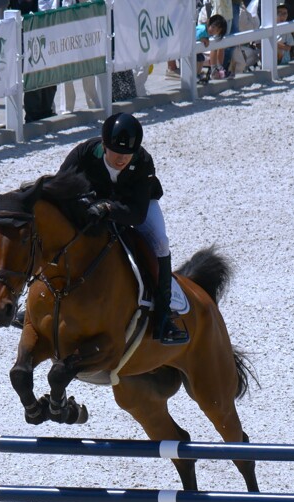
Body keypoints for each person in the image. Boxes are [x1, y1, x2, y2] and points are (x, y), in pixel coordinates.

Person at [58, 113, 188, 345]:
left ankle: (164, 317)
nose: (122, 160)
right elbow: (60, 186)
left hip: (137, 205)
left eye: (127, 155)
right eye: (117, 153)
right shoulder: (85, 153)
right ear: (104, 146)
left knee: (161, 242)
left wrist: (107, 208)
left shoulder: (143, 161)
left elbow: (136, 215)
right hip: (92, 205)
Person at [196, 13, 228, 83]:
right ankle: (195, 75)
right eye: (212, 27)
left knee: (201, 60)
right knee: (197, 61)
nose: (212, 31)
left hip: (197, 51)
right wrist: (201, 39)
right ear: (209, 23)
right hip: (190, 49)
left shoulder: (208, 33)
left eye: (216, 31)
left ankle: (197, 75)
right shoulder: (202, 29)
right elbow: (194, 36)